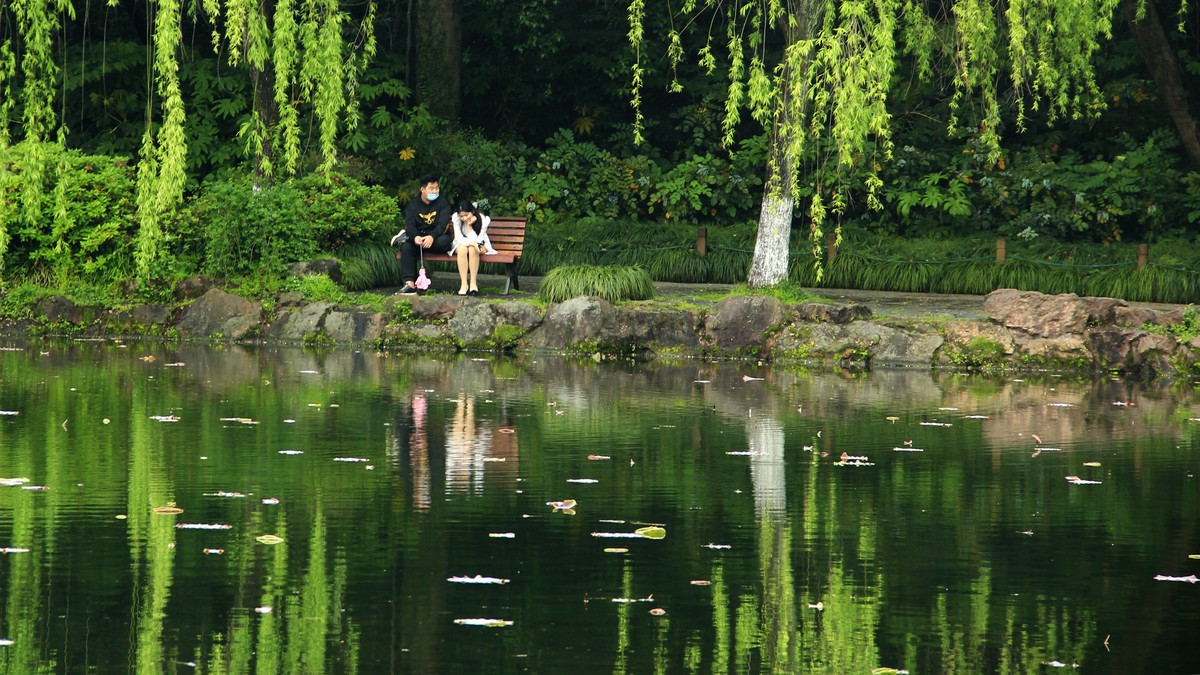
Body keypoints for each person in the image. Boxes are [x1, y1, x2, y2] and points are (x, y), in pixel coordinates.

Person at [395, 174, 453, 294]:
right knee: (406, 247)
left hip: (436, 239)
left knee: (445, 241)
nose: (435, 191)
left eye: (437, 188)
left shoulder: (443, 203)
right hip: (419, 239)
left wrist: (432, 236)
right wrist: (415, 237)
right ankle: (409, 283)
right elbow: (410, 225)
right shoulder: (413, 205)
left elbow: (443, 225)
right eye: (431, 189)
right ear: (422, 189)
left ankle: (406, 238)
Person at [449, 200, 497, 296]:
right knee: (463, 249)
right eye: (461, 216)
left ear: (473, 212)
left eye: (466, 215)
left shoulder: (483, 220)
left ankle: (473, 283)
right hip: (461, 243)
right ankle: (463, 283)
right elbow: (459, 237)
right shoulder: (456, 219)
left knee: (472, 249)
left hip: (480, 243)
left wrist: (469, 226)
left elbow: (478, 240)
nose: (464, 218)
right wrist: (473, 244)